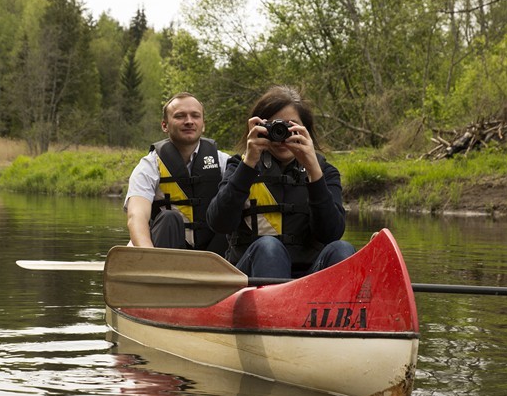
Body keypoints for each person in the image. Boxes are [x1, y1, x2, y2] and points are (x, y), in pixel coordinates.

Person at [207, 85, 355, 279]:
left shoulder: (324, 172)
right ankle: (272, 307)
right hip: (252, 277)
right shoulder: (239, 166)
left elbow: (331, 233)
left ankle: (339, 308)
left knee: (342, 249)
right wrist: (249, 163)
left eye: (290, 126)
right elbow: (218, 223)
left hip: (309, 280)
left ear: (305, 131)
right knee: (269, 247)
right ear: (259, 128)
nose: (282, 135)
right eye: (275, 126)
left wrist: (314, 173)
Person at [124, 92, 229, 255]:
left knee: (228, 217)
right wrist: (147, 255)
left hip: (215, 256)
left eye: (195, 116)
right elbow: (136, 216)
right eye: (180, 116)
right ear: (165, 125)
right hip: (166, 254)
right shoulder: (149, 166)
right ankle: (161, 271)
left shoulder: (224, 163)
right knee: (169, 218)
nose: (189, 121)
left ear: (203, 124)